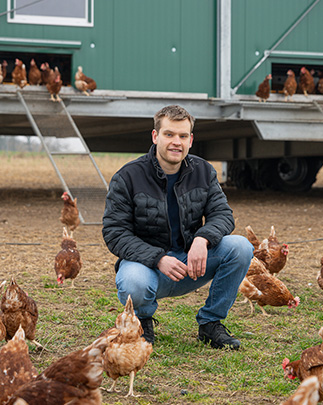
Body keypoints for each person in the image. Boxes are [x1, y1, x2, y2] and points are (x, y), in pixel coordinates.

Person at [102, 104, 253, 350]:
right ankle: (142, 321)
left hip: (190, 263)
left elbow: (222, 214)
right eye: (169, 134)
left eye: (183, 136)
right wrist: (158, 257)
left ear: (191, 140)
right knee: (133, 283)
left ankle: (211, 323)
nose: (176, 142)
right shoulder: (128, 176)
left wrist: (202, 239)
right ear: (155, 136)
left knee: (241, 247)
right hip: (147, 267)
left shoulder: (203, 171)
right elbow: (114, 232)